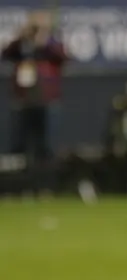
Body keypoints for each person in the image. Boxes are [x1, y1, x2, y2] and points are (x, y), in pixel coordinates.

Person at [1, 9, 66, 195]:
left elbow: (62, 57)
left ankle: (45, 187)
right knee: (20, 146)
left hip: (46, 101)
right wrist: (22, 35)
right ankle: (21, 187)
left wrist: (44, 39)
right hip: (24, 101)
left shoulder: (51, 44)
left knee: (45, 147)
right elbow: (6, 53)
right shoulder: (22, 45)